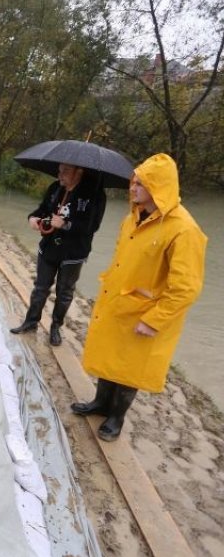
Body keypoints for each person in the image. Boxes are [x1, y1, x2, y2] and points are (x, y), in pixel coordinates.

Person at [71, 153, 207, 441]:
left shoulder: (184, 230)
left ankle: (117, 417)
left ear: (159, 188)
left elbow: (186, 287)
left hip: (145, 313)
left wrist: (154, 320)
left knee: (129, 369)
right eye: (133, 182)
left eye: (141, 185)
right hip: (117, 303)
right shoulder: (132, 217)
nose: (132, 189)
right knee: (109, 357)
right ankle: (100, 403)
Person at [10, 163, 106, 346]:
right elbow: (42, 209)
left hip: (74, 253)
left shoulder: (94, 195)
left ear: (79, 172)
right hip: (49, 247)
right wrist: (32, 217)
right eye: (59, 170)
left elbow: (92, 226)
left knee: (65, 293)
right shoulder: (55, 188)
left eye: (65, 171)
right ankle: (31, 322)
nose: (59, 174)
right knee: (40, 287)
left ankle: (55, 327)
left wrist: (65, 224)